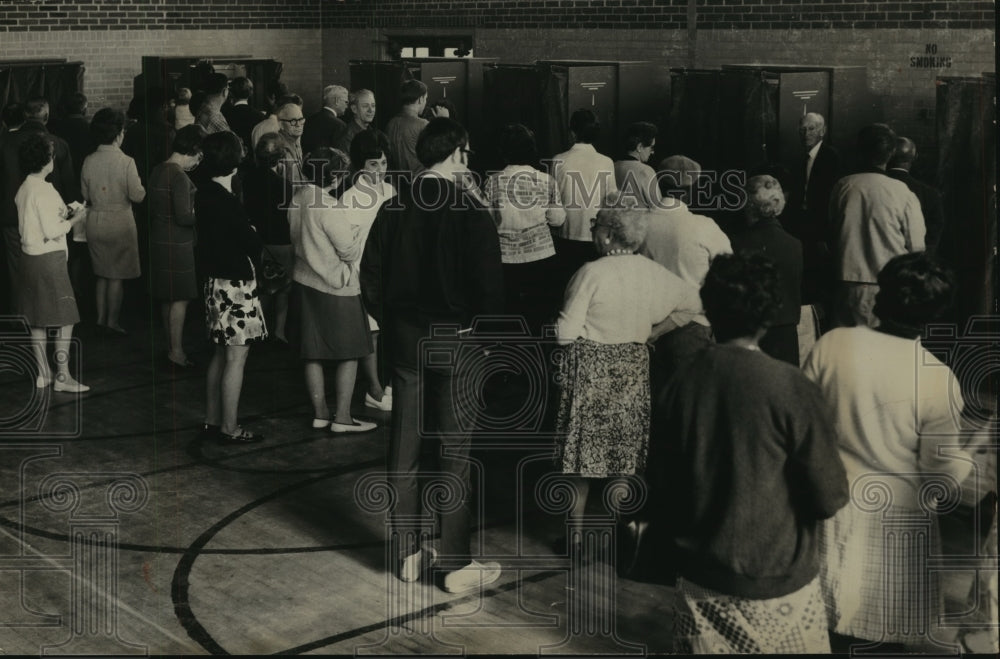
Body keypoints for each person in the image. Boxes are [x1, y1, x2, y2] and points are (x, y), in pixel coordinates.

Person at [653, 252, 849, 654]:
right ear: (769, 313)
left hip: (699, 577)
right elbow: (829, 495)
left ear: (709, 308)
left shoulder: (680, 382)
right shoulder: (790, 387)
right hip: (778, 579)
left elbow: (663, 482)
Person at [803, 252, 982, 651]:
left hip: (828, 508)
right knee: (882, 641)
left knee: (823, 629)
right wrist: (966, 461)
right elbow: (939, 476)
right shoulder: (936, 377)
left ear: (879, 297)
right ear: (935, 314)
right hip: (897, 530)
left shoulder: (832, 344)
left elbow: (802, 425)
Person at [361, 117, 504, 594]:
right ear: (459, 151)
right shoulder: (471, 211)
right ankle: (458, 563)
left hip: (403, 338)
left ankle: (406, 552)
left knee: (403, 446)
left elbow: (371, 276)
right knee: (454, 451)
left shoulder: (393, 205)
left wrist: (392, 319)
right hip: (456, 337)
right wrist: (481, 334)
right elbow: (489, 288)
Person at [554, 202, 702, 549]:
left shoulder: (591, 272)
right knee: (623, 458)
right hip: (633, 367)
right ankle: (614, 533)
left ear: (606, 234)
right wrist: (654, 332)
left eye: (595, 226)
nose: (592, 232)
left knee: (579, 461)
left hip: (590, 369)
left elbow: (564, 334)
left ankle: (574, 538)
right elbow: (694, 303)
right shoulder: (652, 272)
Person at [287, 147, 376, 433]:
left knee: (312, 353)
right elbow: (349, 251)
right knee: (349, 352)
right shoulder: (330, 205)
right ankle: (343, 418)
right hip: (337, 287)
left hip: (303, 282)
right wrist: (360, 235)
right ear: (336, 177)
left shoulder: (298, 198)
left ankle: (321, 413)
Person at [195, 131, 267, 444]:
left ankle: (213, 420)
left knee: (220, 355)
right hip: (236, 284)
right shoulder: (226, 200)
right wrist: (250, 229)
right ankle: (230, 427)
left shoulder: (205, 192)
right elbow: (252, 241)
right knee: (237, 358)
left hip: (214, 282)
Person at [829, 123, 925, 328]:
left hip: (846, 284)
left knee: (847, 352)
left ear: (860, 151)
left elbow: (832, 231)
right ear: (891, 153)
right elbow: (917, 248)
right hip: (886, 287)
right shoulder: (902, 192)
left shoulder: (843, 186)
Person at [14, 133, 89, 392]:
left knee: (37, 319)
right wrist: (76, 219)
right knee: (65, 318)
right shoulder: (45, 189)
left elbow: (37, 220)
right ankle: (63, 377)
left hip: (29, 259)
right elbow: (52, 229)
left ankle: (43, 374)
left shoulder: (25, 186)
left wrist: (64, 213)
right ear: (46, 160)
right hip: (49, 261)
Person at [482, 123, 565, 332]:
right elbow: (557, 219)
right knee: (537, 317)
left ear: (503, 151)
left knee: (509, 317)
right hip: (541, 256)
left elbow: (487, 222)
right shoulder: (547, 180)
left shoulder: (492, 182)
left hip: (505, 259)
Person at [80, 108, 146, 334]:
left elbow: (85, 195)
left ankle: (100, 318)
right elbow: (137, 195)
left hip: (95, 220)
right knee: (116, 276)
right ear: (119, 134)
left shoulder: (88, 159)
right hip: (120, 221)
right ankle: (112, 321)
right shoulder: (127, 162)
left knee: (102, 273)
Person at [342, 130, 394, 412]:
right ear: (361, 165)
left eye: (384, 164)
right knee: (371, 332)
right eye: (374, 164)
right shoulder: (350, 199)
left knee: (388, 329)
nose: (380, 170)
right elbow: (346, 244)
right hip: (362, 273)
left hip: (389, 272)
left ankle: (386, 383)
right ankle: (373, 389)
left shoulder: (390, 191)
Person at [730, 174, 803, 365]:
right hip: (787, 335)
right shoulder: (795, 245)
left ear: (751, 205)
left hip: (750, 334)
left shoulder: (738, 244)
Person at [148, 124, 205, 368]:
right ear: (192, 149)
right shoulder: (180, 176)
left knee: (167, 297)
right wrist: (204, 213)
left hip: (158, 237)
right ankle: (177, 352)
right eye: (199, 155)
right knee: (180, 299)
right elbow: (184, 216)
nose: (198, 161)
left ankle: (171, 346)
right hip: (178, 242)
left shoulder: (158, 169)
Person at [551, 109, 617, 287]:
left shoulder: (558, 160)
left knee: (567, 287)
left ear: (572, 133)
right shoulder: (606, 162)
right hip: (595, 236)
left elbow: (553, 202)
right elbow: (611, 200)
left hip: (565, 235)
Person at [242, 133, 294, 344]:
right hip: (280, 241)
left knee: (263, 287)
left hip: (257, 239)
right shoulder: (283, 184)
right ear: (281, 158)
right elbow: (287, 215)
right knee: (283, 289)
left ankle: (257, 329)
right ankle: (279, 331)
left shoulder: (248, 178)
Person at [793, 112, 841, 311]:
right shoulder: (800, 158)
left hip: (820, 232)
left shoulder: (831, 158)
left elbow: (831, 202)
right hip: (802, 228)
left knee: (817, 282)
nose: (806, 134)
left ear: (823, 131)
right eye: (803, 129)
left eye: (811, 129)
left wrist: (824, 235)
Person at [887, 136, 946, 254]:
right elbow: (933, 234)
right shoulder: (929, 193)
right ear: (915, 157)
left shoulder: (875, 188)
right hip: (913, 260)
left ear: (888, 156)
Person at [614, 121, 663, 210]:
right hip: (639, 222)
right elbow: (657, 208)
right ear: (639, 147)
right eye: (651, 147)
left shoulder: (613, 166)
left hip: (613, 221)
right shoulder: (646, 171)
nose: (652, 152)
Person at [384, 79, 429, 176]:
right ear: (421, 99)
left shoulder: (390, 124)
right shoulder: (423, 124)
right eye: (426, 99)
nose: (425, 103)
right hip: (420, 182)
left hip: (399, 183)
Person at [223, 77, 266, 154]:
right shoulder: (260, 116)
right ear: (251, 93)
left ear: (231, 93)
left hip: (230, 157)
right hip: (253, 160)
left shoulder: (225, 114)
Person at [302, 84, 348, 157]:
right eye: (346, 102)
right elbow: (341, 157)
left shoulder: (309, 120)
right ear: (337, 101)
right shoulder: (339, 125)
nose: (346, 106)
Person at [335, 89, 377, 156]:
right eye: (365, 106)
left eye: (373, 105)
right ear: (354, 109)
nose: (371, 110)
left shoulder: (372, 132)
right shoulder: (347, 138)